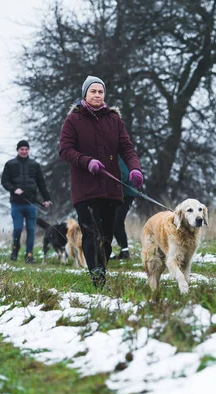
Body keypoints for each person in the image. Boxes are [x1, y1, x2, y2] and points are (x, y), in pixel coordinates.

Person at [59, 75, 143, 288]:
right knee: (90, 231)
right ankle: (96, 272)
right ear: (85, 94)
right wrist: (87, 162)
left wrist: (135, 169)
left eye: (100, 91)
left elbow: (126, 147)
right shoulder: (73, 120)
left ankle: (102, 270)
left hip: (111, 189)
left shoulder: (114, 119)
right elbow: (65, 150)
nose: (97, 95)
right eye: (93, 91)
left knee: (106, 236)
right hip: (85, 188)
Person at [1, 140, 52, 263]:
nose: (24, 151)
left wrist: (46, 199)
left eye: (26, 149)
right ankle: (15, 248)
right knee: (17, 229)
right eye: (21, 149)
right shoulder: (10, 164)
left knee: (31, 229)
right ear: (17, 150)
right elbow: (4, 181)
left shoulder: (35, 165)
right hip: (16, 203)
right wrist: (14, 189)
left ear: (28, 150)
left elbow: (41, 183)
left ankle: (29, 255)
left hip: (31, 203)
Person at [110, 156, 138, 260]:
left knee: (117, 222)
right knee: (113, 222)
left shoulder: (118, 155)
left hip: (126, 195)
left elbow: (123, 175)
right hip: (119, 194)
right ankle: (122, 251)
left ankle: (125, 252)